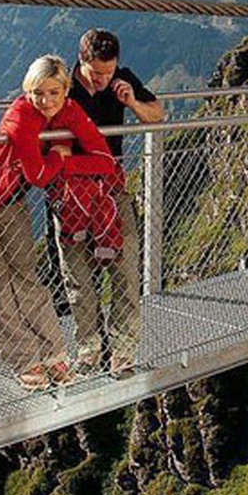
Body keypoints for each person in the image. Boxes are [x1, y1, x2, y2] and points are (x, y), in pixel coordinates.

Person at [0, 54, 118, 391]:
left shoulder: (70, 112)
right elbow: (38, 175)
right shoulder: (21, 115)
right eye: (38, 92)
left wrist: (64, 163)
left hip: (10, 198)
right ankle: (25, 360)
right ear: (29, 91)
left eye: (54, 92)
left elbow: (105, 161)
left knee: (25, 276)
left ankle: (54, 354)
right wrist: (59, 155)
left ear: (66, 90)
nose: (46, 100)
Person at [56, 28, 164, 377]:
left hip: (111, 187)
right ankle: (89, 350)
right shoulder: (61, 84)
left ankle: (122, 353)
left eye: (109, 71)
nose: (104, 79)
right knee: (78, 277)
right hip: (69, 191)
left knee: (125, 268)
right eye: (97, 73)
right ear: (81, 62)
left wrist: (131, 102)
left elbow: (157, 115)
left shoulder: (121, 78)